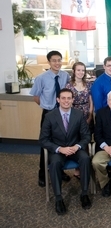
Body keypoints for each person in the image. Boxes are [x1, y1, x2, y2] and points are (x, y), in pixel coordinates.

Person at [39, 88, 91, 215]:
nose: (66, 101)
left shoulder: (78, 114)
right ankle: (58, 198)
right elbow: (43, 140)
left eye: (69, 98)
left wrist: (77, 146)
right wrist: (59, 149)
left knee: (85, 159)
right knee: (55, 164)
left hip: (74, 149)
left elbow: (86, 136)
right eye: (63, 98)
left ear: (73, 100)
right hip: (58, 150)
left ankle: (84, 193)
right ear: (58, 100)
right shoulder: (50, 116)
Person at [30, 50, 71, 188]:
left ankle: (60, 170)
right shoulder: (41, 78)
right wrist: (47, 107)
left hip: (62, 113)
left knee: (62, 142)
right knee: (46, 143)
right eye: (54, 60)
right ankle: (42, 174)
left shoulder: (65, 75)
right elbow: (36, 96)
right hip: (48, 113)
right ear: (49, 62)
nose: (57, 63)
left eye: (59, 60)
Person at [65, 61, 94, 179]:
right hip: (74, 116)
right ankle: (77, 170)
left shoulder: (88, 84)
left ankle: (86, 167)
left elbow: (91, 100)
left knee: (86, 141)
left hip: (87, 115)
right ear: (73, 71)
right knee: (77, 140)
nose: (81, 72)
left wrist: (90, 115)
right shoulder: (69, 86)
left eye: (83, 70)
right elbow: (68, 102)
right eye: (78, 70)